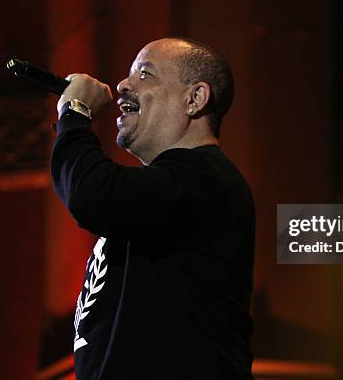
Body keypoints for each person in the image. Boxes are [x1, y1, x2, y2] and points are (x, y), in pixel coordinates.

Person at [51, 38, 256, 379]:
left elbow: (92, 194)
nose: (122, 85)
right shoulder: (160, 193)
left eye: (144, 74)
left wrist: (75, 113)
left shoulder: (207, 181)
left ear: (195, 99)